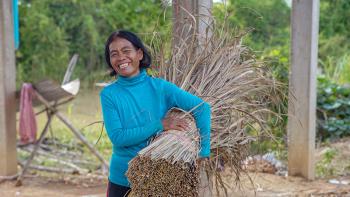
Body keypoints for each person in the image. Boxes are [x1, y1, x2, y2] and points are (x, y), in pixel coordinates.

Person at [100, 30, 211, 197]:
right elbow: (118, 137)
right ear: (110, 60)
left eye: (126, 51)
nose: (121, 57)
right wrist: (160, 124)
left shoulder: (160, 88)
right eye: (114, 54)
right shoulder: (109, 94)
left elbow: (202, 108)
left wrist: (203, 151)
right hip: (121, 179)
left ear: (139, 54)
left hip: (159, 178)